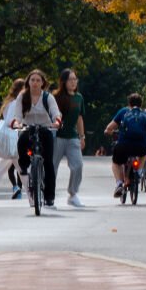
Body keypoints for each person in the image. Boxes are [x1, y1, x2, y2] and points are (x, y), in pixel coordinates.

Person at [0, 72, 59, 205]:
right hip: (15, 137)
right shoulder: (19, 101)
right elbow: (14, 120)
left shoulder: (9, 103)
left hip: (11, 137)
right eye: (31, 82)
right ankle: (34, 199)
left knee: (6, 168)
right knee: (22, 171)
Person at [105, 92, 146, 199]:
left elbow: (109, 127)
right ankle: (138, 172)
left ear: (129, 103)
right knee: (144, 153)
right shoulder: (145, 114)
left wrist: (108, 131)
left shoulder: (124, 112)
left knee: (116, 162)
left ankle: (119, 183)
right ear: (141, 104)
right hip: (141, 146)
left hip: (125, 145)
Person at [52, 68, 87, 207]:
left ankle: (73, 194)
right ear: (64, 82)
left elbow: (79, 118)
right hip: (57, 137)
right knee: (52, 167)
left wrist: (82, 136)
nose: (73, 82)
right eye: (70, 79)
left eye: (75, 79)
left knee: (78, 165)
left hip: (72, 137)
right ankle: (49, 194)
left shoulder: (79, 98)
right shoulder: (55, 97)